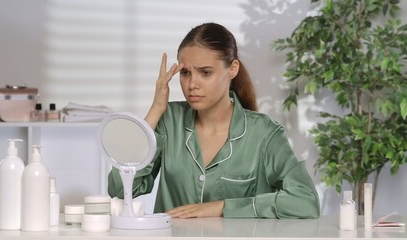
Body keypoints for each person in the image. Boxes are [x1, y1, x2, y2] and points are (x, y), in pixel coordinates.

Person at [108, 22, 320, 219]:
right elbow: (118, 188)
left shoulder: (264, 134)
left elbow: (306, 201)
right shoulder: (168, 120)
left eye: (205, 72)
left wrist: (221, 207)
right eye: (185, 73)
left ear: (232, 69)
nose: (192, 84)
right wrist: (155, 110)